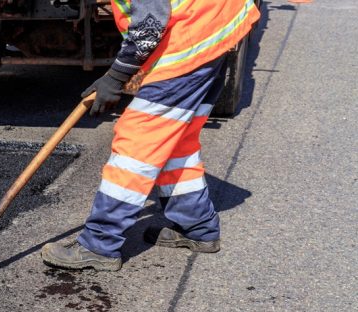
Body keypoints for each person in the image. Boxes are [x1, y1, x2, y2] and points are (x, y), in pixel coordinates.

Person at [42, 0, 261, 272]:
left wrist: (115, 77)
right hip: (212, 27)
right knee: (177, 142)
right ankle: (197, 226)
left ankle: (99, 244)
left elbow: (150, 25)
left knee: (138, 142)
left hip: (191, 40)